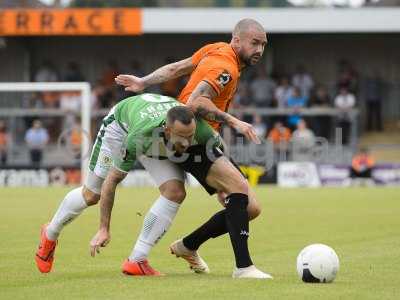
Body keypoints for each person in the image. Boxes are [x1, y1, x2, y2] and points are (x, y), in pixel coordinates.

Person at [116, 18, 271, 279]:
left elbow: (178, 67)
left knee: (250, 207)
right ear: (236, 40)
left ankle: (188, 246)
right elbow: (196, 101)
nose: (259, 50)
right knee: (238, 190)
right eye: (254, 43)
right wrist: (233, 121)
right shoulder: (225, 68)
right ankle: (244, 268)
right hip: (194, 139)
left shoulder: (215, 49)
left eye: (263, 45)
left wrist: (144, 81)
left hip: (201, 137)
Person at [35, 94, 220, 276]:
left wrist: (223, 191)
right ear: (168, 131)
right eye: (182, 137)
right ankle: (50, 233)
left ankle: (137, 260)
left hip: (151, 130)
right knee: (91, 195)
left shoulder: (203, 131)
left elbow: (222, 163)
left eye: (190, 136)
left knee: (175, 192)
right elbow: (112, 180)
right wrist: (103, 228)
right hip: (119, 128)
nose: (187, 143)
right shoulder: (139, 137)